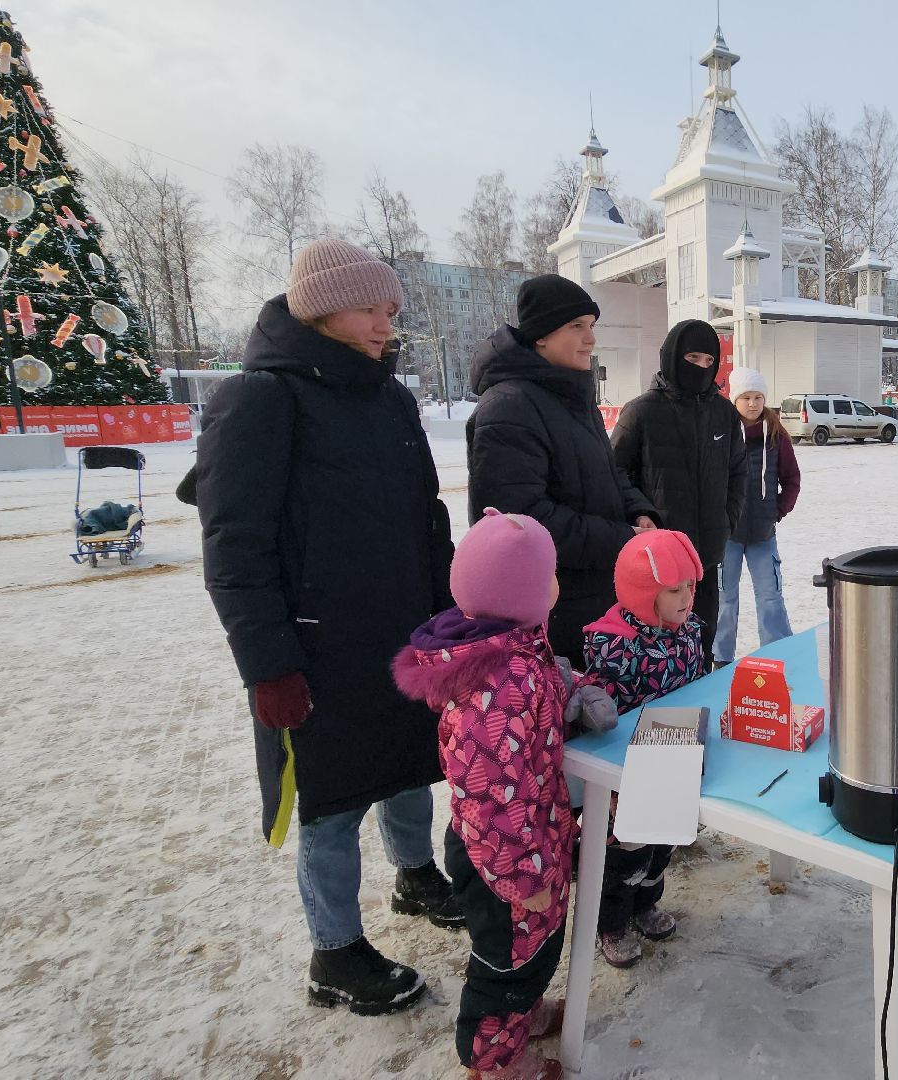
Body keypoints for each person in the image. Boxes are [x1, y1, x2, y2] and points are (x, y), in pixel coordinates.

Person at [195, 238, 462, 1017]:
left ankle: (414, 878)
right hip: (317, 649)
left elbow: (426, 519)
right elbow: (234, 548)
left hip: (406, 633)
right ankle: (335, 951)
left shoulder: (391, 400)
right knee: (332, 799)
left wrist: (448, 617)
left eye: (392, 311)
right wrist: (267, 664)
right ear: (322, 307)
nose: (389, 324)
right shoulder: (259, 402)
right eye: (375, 308)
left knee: (412, 763)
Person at [392, 508, 611, 1080]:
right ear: (524, 592)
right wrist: (522, 878)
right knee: (504, 968)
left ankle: (527, 1014)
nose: (558, 584)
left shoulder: (516, 650)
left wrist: (578, 689)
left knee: (533, 952)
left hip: (531, 837)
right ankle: (493, 1064)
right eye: (550, 574)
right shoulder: (498, 683)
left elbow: (545, 687)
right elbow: (489, 799)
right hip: (504, 859)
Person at [465, 274, 659, 665]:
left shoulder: (571, 395)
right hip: (550, 615)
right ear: (540, 335)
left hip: (594, 599)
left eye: (591, 327)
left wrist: (639, 511)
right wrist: (621, 537)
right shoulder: (509, 408)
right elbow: (521, 523)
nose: (590, 339)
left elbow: (607, 472)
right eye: (576, 327)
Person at [581, 529, 706, 968]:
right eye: (674, 590)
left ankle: (646, 903)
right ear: (641, 592)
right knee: (626, 850)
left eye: (690, 586)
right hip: (629, 768)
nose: (686, 597)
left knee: (662, 842)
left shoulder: (687, 631)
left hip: (673, 755)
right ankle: (610, 923)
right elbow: (603, 717)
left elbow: (694, 689)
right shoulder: (615, 645)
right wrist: (613, 779)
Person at [608, 319, 743, 663]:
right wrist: (641, 512)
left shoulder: (724, 413)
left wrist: (727, 521)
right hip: (657, 564)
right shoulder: (641, 412)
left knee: (702, 643)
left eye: (708, 361)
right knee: (657, 654)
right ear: (672, 356)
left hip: (706, 560)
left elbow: (737, 471)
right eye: (692, 357)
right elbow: (615, 473)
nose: (700, 367)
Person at [713, 367, 799, 665]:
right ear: (734, 400)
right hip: (728, 536)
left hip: (763, 534)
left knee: (770, 598)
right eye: (746, 397)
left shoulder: (776, 436)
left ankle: (778, 654)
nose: (752, 404)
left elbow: (792, 480)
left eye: (758, 397)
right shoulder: (721, 433)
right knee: (725, 599)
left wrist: (776, 511)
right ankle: (719, 658)